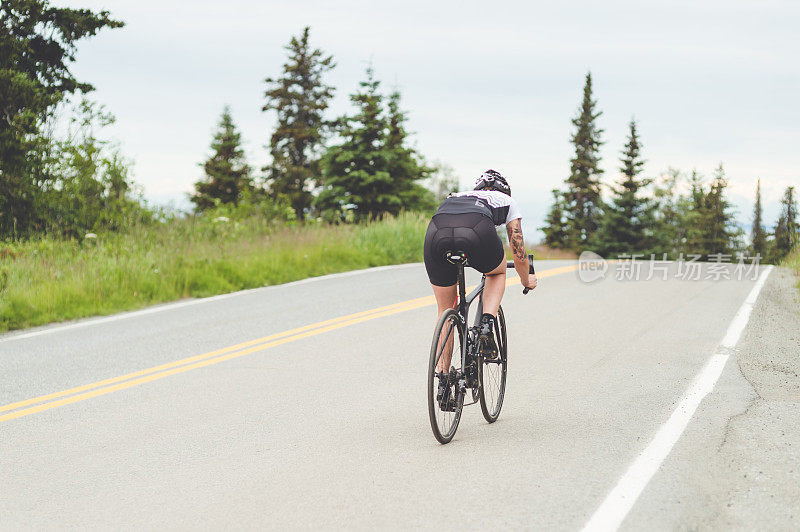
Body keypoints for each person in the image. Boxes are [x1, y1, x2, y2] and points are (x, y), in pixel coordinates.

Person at [423, 169, 537, 373]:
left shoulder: (456, 196)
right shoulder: (506, 200)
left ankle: (442, 378)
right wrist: (526, 278)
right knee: (497, 273)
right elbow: (518, 250)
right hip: (477, 229)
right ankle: (486, 325)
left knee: (445, 310)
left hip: (436, 233)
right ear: (505, 190)